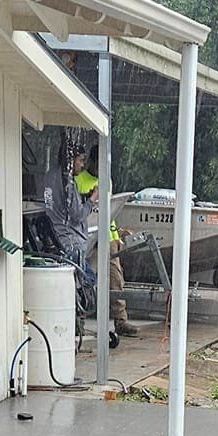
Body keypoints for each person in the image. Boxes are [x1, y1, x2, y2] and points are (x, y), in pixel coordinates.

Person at [73, 145, 137, 338]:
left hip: (107, 236)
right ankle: (79, 321)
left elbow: (110, 211)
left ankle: (121, 320)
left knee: (116, 279)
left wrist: (116, 236)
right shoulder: (78, 180)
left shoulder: (106, 181)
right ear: (91, 162)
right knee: (83, 280)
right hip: (87, 235)